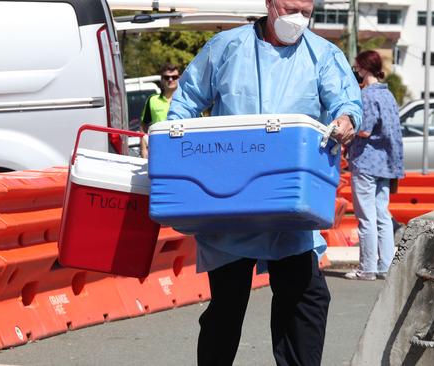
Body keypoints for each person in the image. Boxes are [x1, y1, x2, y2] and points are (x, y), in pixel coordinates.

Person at [166, 0, 362, 364]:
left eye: (306, 11)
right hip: (230, 199)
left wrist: (347, 119)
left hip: (289, 203)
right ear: (270, 4)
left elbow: (347, 102)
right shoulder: (227, 48)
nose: (298, 19)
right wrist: (168, 137)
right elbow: (188, 100)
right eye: (290, 9)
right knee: (226, 308)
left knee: (307, 299)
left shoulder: (323, 55)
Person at [344, 50, 404, 281]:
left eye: (357, 67)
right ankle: (386, 265)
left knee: (366, 217)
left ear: (364, 68)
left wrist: (344, 133)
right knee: (382, 215)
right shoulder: (388, 95)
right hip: (387, 163)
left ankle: (367, 267)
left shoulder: (367, 96)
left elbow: (364, 129)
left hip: (366, 161)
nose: (356, 71)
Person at [139, 63, 180, 157]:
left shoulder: (188, 101)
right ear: (162, 79)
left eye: (174, 77)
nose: (170, 80)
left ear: (179, 78)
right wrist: (144, 150)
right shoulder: (152, 100)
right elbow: (143, 126)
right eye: (166, 77)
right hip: (159, 151)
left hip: (183, 150)